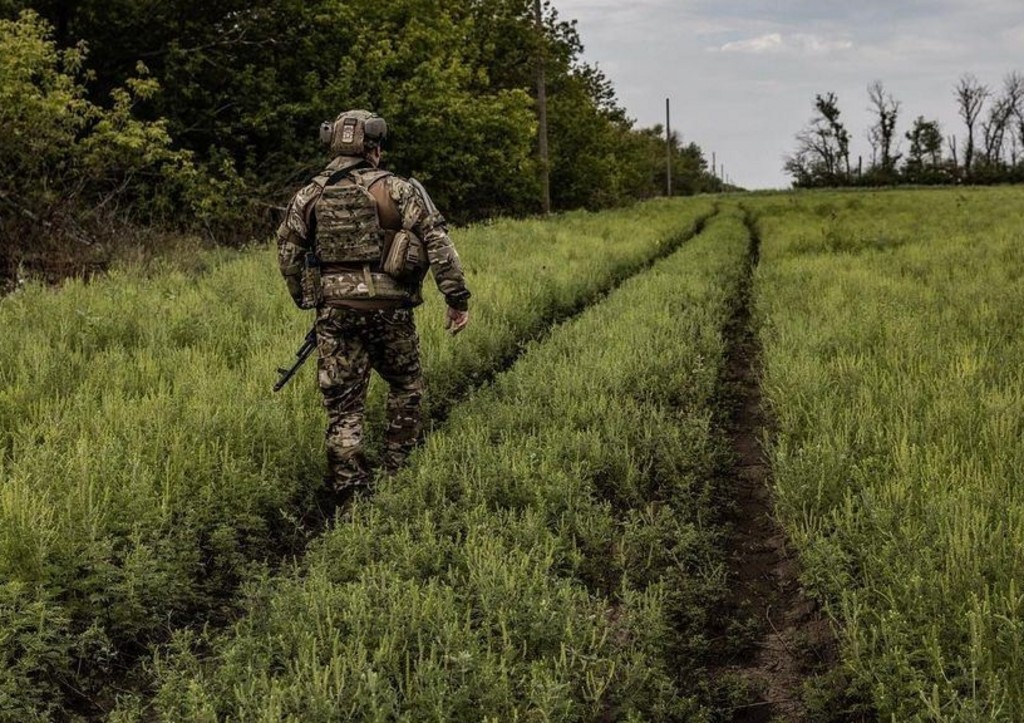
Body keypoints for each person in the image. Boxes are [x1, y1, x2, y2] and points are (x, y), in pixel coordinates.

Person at [276, 109, 470, 507]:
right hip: (390, 310)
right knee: (406, 386)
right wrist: (456, 299)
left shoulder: (309, 194)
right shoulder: (399, 190)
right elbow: (438, 244)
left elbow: (287, 254)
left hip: (336, 312)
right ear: (375, 149)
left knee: (344, 406)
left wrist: (308, 299)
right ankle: (398, 472)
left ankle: (350, 493)